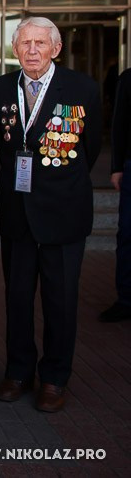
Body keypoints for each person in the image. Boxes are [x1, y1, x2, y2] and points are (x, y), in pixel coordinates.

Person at [0, 16, 101, 412]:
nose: (32, 50)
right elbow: (6, 150)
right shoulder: (1, 87)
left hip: (64, 212)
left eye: (40, 43)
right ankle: (18, 371)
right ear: (15, 49)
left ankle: (54, 377)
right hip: (17, 212)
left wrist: (59, 185)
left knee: (61, 300)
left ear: (56, 48)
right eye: (24, 43)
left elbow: (91, 148)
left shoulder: (82, 88)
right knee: (17, 298)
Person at [105, 67, 131, 322]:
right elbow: (119, 124)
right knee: (127, 233)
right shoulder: (128, 78)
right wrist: (116, 167)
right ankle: (126, 299)